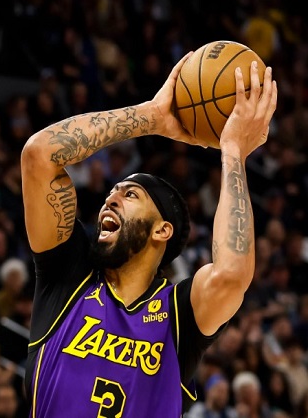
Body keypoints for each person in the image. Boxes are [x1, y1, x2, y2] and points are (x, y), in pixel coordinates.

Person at [21, 54, 277, 417]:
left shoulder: (179, 315)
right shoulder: (67, 276)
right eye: (112, 192)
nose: (111, 199)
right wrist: (152, 116)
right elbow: (39, 155)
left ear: (162, 229)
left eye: (129, 195)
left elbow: (232, 275)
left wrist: (233, 151)